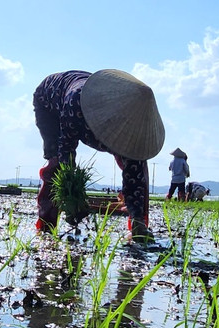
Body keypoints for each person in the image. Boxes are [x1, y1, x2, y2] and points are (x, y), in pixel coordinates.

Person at [32, 69, 165, 239]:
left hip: (81, 103)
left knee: (136, 164)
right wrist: (73, 199)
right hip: (50, 103)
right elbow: (66, 154)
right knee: (57, 164)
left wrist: (137, 218)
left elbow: (136, 176)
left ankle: (137, 225)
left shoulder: (132, 129)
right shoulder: (76, 104)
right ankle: (46, 227)